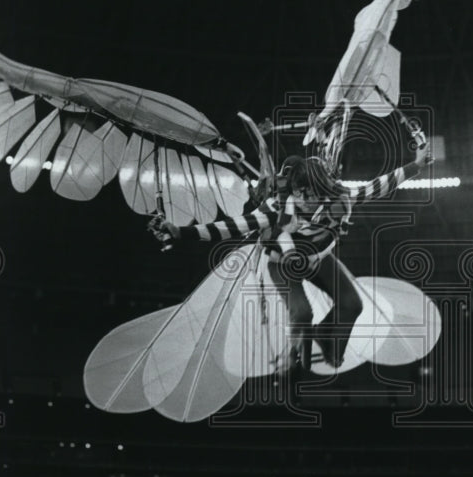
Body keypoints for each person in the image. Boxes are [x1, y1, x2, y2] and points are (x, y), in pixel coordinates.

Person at [155, 122, 432, 371]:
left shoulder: (339, 197)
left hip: (318, 259)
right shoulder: (276, 208)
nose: (311, 202)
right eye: (305, 196)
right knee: (302, 312)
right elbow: (231, 226)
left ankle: (328, 342)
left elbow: (378, 186)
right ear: (296, 191)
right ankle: (292, 356)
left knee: (352, 304)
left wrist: (417, 164)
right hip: (283, 263)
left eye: (317, 196)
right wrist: (181, 232)